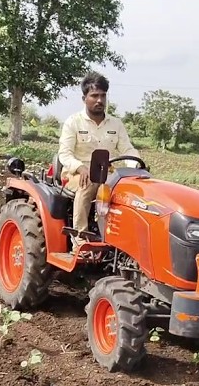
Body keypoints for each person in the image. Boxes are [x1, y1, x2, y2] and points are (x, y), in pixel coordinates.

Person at [56, 71, 140, 251]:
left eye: (103, 96)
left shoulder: (116, 124)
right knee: (88, 185)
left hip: (106, 174)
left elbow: (127, 149)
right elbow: (65, 154)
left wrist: (136, 166)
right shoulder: (73, 122)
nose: (99, 100)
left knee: (131, 192)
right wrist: (80, 168)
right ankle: (80, 241)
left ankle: (123, 241)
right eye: (94, 96)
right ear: (84, 98)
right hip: (76, 174)